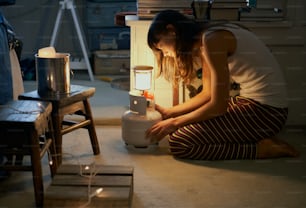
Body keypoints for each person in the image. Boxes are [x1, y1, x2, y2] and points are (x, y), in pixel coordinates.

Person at [145, 10, 299, 160]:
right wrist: (170, 113)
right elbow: (207, 94)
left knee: (179, 142)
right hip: (249, 103)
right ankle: (256, 139)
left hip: (268, 113)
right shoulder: (206, 39)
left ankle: (259, 149)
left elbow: (218, 106)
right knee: (178, 128)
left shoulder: (213, 40)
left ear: (171, 30)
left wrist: (174, 122)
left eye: (161, 47)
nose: (165, 54)